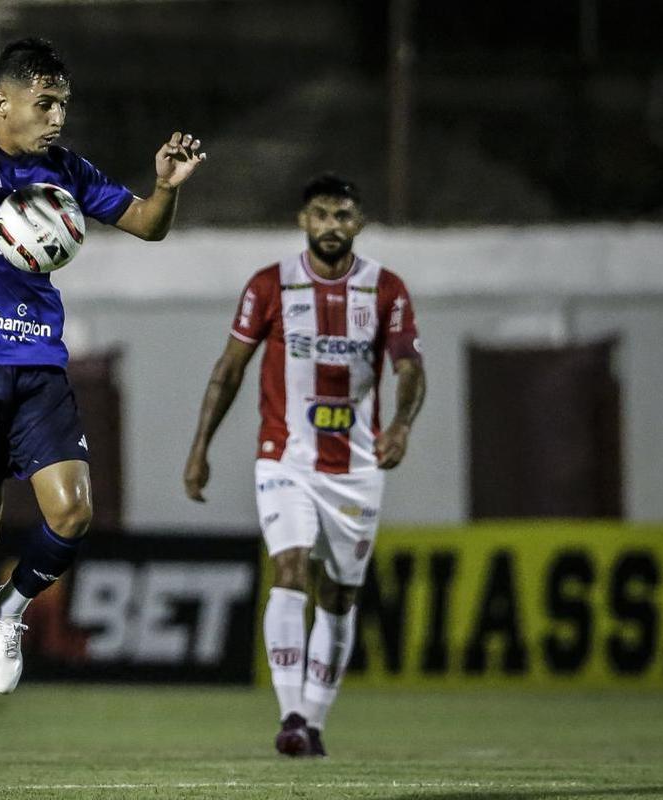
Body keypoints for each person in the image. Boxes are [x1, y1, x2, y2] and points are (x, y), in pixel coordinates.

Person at [0, 38, 205, 757]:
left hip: (37, 360)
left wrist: (168, 185)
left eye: (62, 105)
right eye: (45, 103)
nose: (56, 116)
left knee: (75, 511)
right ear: (5, 102)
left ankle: (10, 606)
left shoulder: (64, 171)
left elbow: (144, 222)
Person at [183, 174, 425, 758]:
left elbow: (409, 368)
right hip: (285, 458)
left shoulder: (385, 289)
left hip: (356, 469)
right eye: (320, 214)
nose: (331, 226)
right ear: (302, 220)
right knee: (288, 569)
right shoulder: (270, 286)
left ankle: (313, 719)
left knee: (339, 597)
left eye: (343, 216)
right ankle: (290, 714)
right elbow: (229, 369)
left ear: (359, 223)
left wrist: (399, 425)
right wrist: (200, 449)